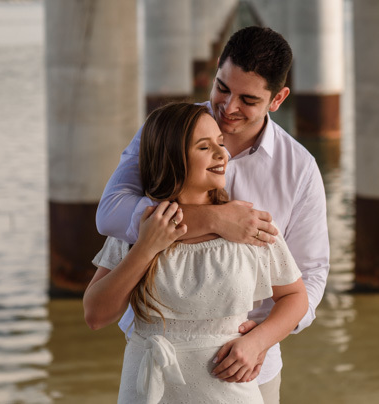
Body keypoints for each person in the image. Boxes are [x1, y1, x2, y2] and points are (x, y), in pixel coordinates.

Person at [96, 26, 330, 402]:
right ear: (216, 69)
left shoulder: (299, 169)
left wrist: (260, 340)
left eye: (248, 99)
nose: (228, 107)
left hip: (247, 368)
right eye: (222, 88)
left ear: (278, 99)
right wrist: (215, 220)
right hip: (151, 362)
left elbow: (311, 276)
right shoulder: (167, 134)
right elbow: (110, 213)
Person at [84, 103, 308, 403]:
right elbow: (95, 316)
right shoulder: (139, 228)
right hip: (147, 391)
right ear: (171, 157)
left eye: (220, 143)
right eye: (204, 147)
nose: (222, 154)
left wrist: (258, 340)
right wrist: (147, 247)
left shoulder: (249, 225)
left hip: (228, 392)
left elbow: (295, 296)